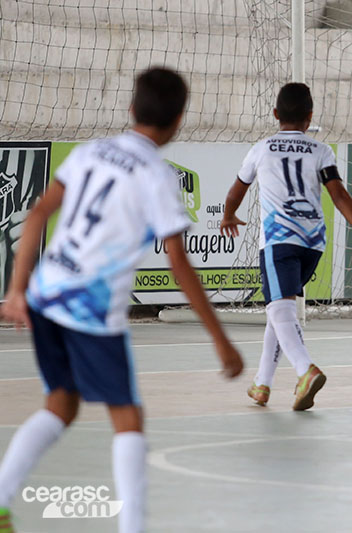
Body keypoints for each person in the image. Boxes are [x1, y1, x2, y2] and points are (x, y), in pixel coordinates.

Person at [0, 67, 244, 533]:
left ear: (131, 108)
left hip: (46, 294)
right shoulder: (156, 175)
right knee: (128, 418)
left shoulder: (90, 152)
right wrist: (220, 339)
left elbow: (37, 214)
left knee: (61, 405)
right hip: (88, 310)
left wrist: (16, 289)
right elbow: (178, 263)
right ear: (179, 121)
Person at [220, 82, 352, 411]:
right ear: (310, 116)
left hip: (279, 240)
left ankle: (306, 370)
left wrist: (229, 215)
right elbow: (339, 194)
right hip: (312, 243)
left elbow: (237, 189)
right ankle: (262, 383)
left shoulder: (261, 148)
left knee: (279, 308)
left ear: (275, 113)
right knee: (281, 309)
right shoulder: (321, 151)